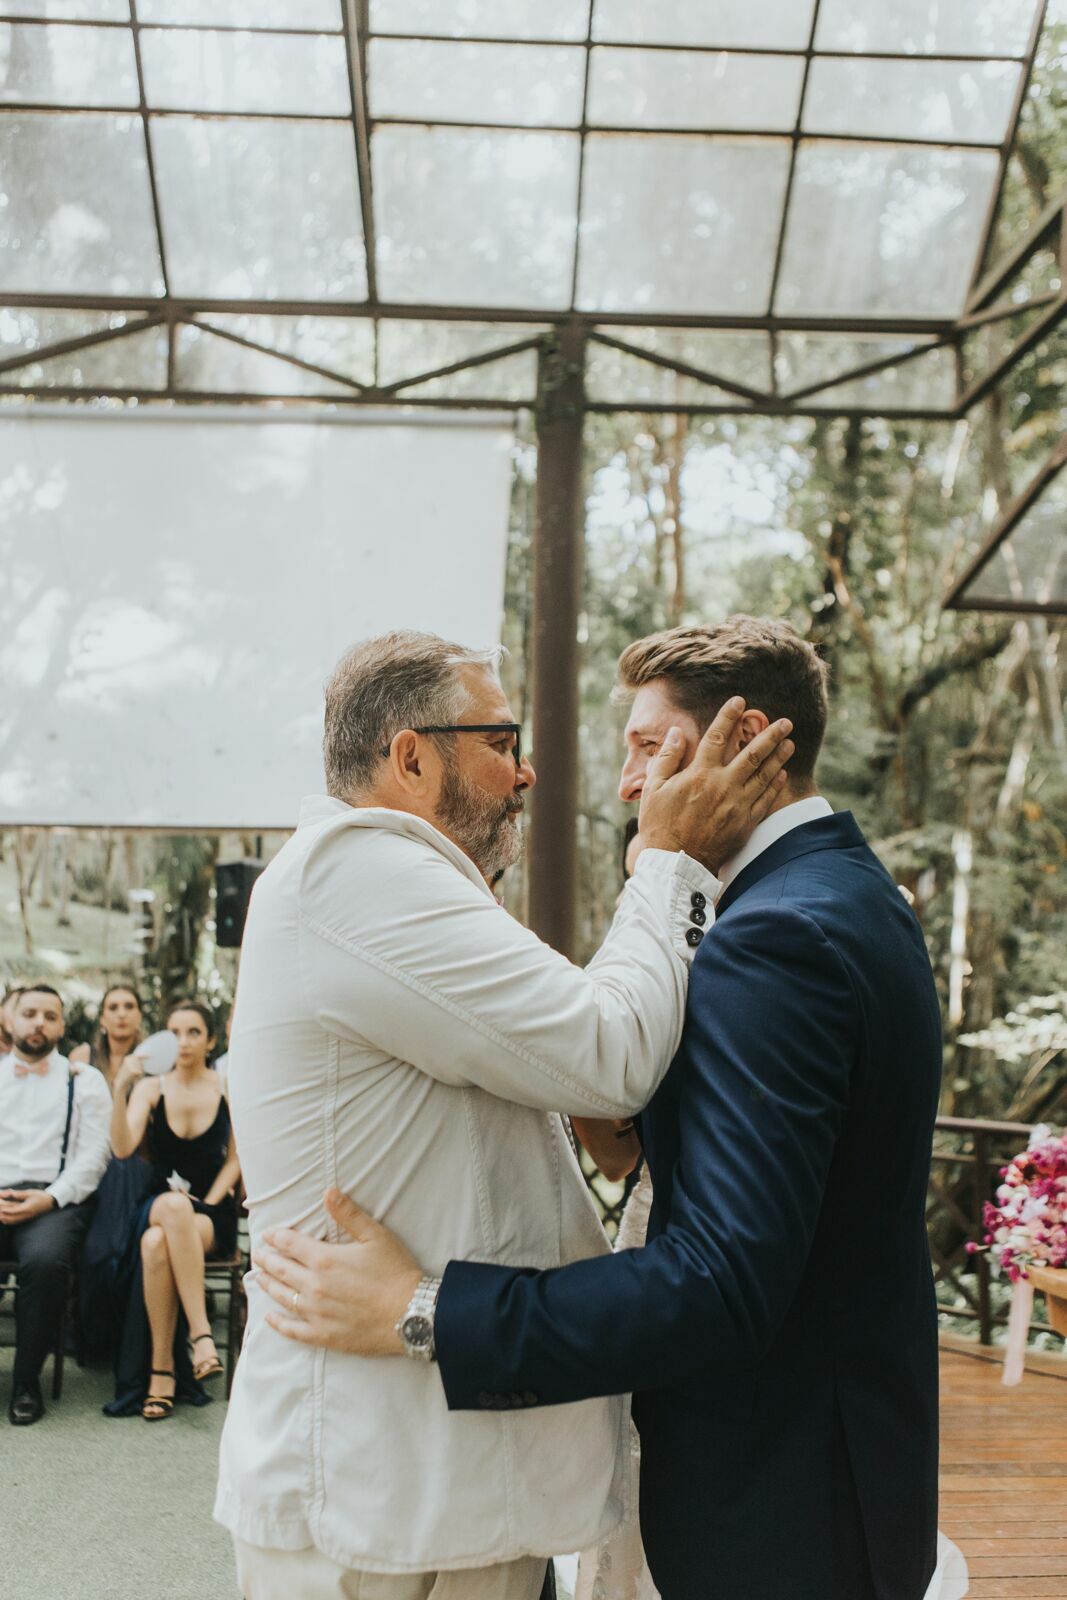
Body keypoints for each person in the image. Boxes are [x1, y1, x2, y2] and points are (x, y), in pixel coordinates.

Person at [255, 617, 946, 1600]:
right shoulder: (839, 894)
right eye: (501, 741)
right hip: (805, 1464)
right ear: (408, 756)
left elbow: (721, 1275)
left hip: (779, 1495)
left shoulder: (775, 934)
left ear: (742, 740)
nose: (624, 785)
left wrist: (425, 1310)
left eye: (647, 747)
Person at [107, 999, 240, 1420]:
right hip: (157, 1203)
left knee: (154, 1244)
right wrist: (121, 1088)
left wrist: (212, 1200)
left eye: (194, 1032)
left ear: (211, 1041)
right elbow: (122, 1148)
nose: (183, 1042)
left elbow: (237, 1157)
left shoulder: (228, 1087)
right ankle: (201, 1336)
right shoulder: (151, 1088)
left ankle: (161, 1371)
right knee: (171, 1210)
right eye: (175, 1033)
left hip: (209, 1210)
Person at [0, 983, 111, 1424]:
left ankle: (26, 1383)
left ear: (62, 1026)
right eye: (30, 1013)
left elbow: (94, 1156)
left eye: (49, 1016)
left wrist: (50, 1197)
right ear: (10, 1020)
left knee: (45, 1263)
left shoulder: (84, 1081)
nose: (39, 1023)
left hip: (57, 1198)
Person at [73, 984, 157, 1362]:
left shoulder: (154, 1060)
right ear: (103, 1017)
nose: (122, 1013)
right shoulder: (83, 1057)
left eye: (129, 1006)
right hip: (86, 1161)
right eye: (114, 1007)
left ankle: (128, 1340)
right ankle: (92, 1335)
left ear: (139, 1015)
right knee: (94, 1250)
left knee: (118, 1248)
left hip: (136, 1166)